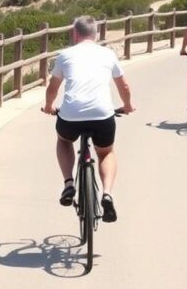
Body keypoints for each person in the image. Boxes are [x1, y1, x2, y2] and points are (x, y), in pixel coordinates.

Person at [43, 15, 135, 222]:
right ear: (96, 34)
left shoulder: (65, 55)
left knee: (64, 140)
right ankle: (107, 194)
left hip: (70, 116)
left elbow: (52, 88)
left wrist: (49, 107)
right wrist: (128, 105)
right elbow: (124, 86)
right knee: (105, 152)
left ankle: (68, 183)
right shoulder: (108, 54)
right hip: (103, 115)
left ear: (74, 33)